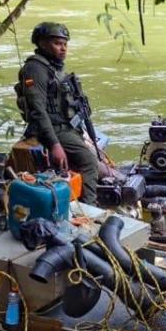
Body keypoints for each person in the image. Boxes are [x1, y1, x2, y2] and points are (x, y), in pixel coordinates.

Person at [14, 22, 100, 204]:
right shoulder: (35, 68)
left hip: (66, 127)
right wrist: (54, 145)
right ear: (42, 43)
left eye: (65, 44)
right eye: (57, 43)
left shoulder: (54, 67)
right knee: (90, 163)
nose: (63, 49)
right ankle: (90, 209)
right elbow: (38, 110)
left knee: (94, 156)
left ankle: (80, 199)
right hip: (51, 129)